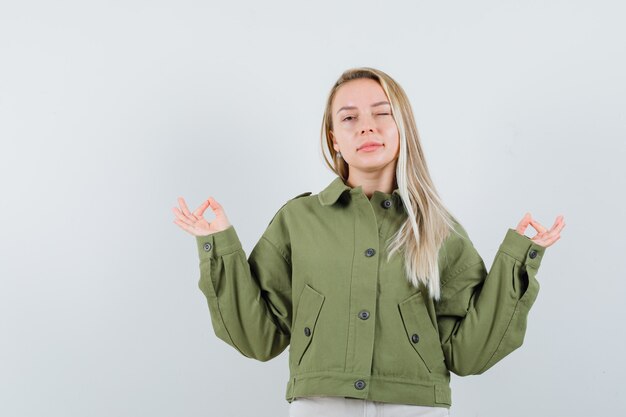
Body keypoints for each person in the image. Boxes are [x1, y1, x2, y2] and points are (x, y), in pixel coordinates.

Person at [172, 67, 565, 417]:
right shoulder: (298, 220)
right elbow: (259, 339)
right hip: (319, 404)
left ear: (402, 127)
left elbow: (468, 353)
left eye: (381, 113)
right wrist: (218, 246)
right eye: (349, 118)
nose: (366, 127)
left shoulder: (440, 229)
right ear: (334, 139)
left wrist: (517, 261)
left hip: (415, 406)